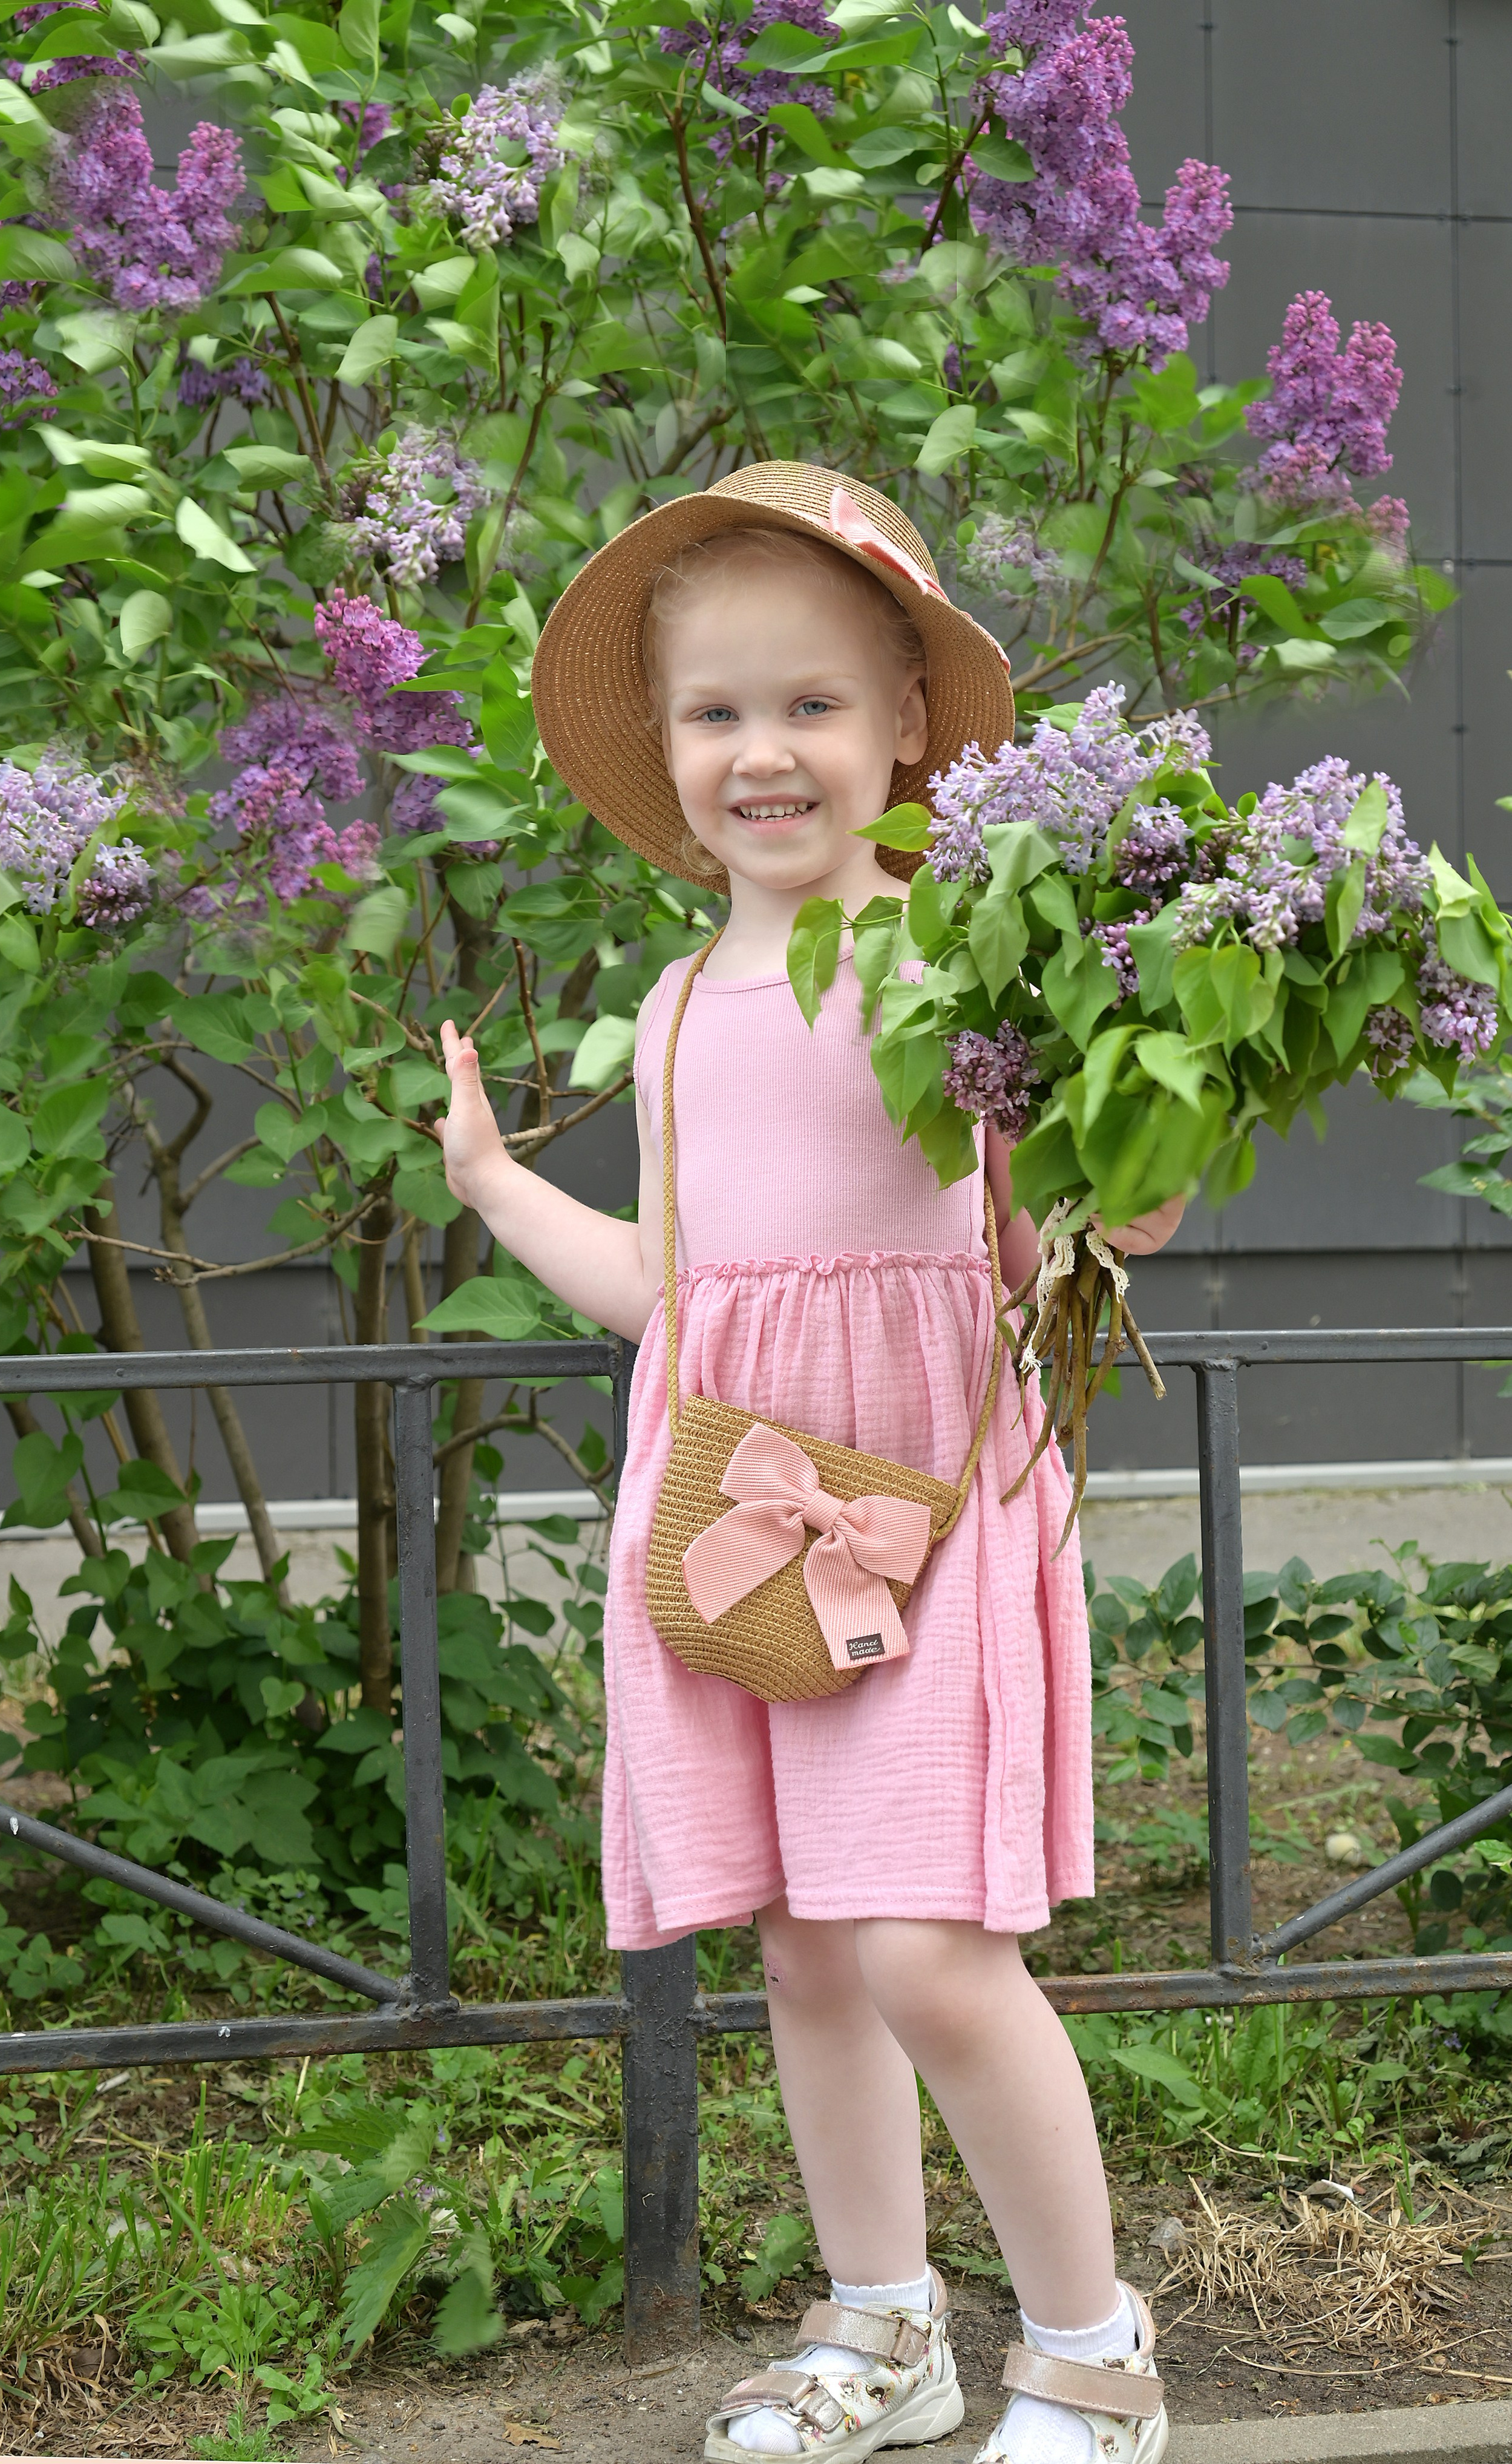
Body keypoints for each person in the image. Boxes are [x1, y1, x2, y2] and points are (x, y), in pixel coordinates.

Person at [438, 464, 1185, 2464]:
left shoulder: (968, 962)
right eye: (717, 713)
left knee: (932, 1948)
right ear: (670, 754)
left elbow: (1078, 1241)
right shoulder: (679, 1009)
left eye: (815, 705)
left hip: (929, 1500)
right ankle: (883, 2328)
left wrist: (1162, 1115)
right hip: (743, 1509)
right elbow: (680, 1298)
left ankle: (1095, 2356)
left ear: (913, 725)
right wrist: (502, 1187)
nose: (763, 752)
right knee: (804, 1946)